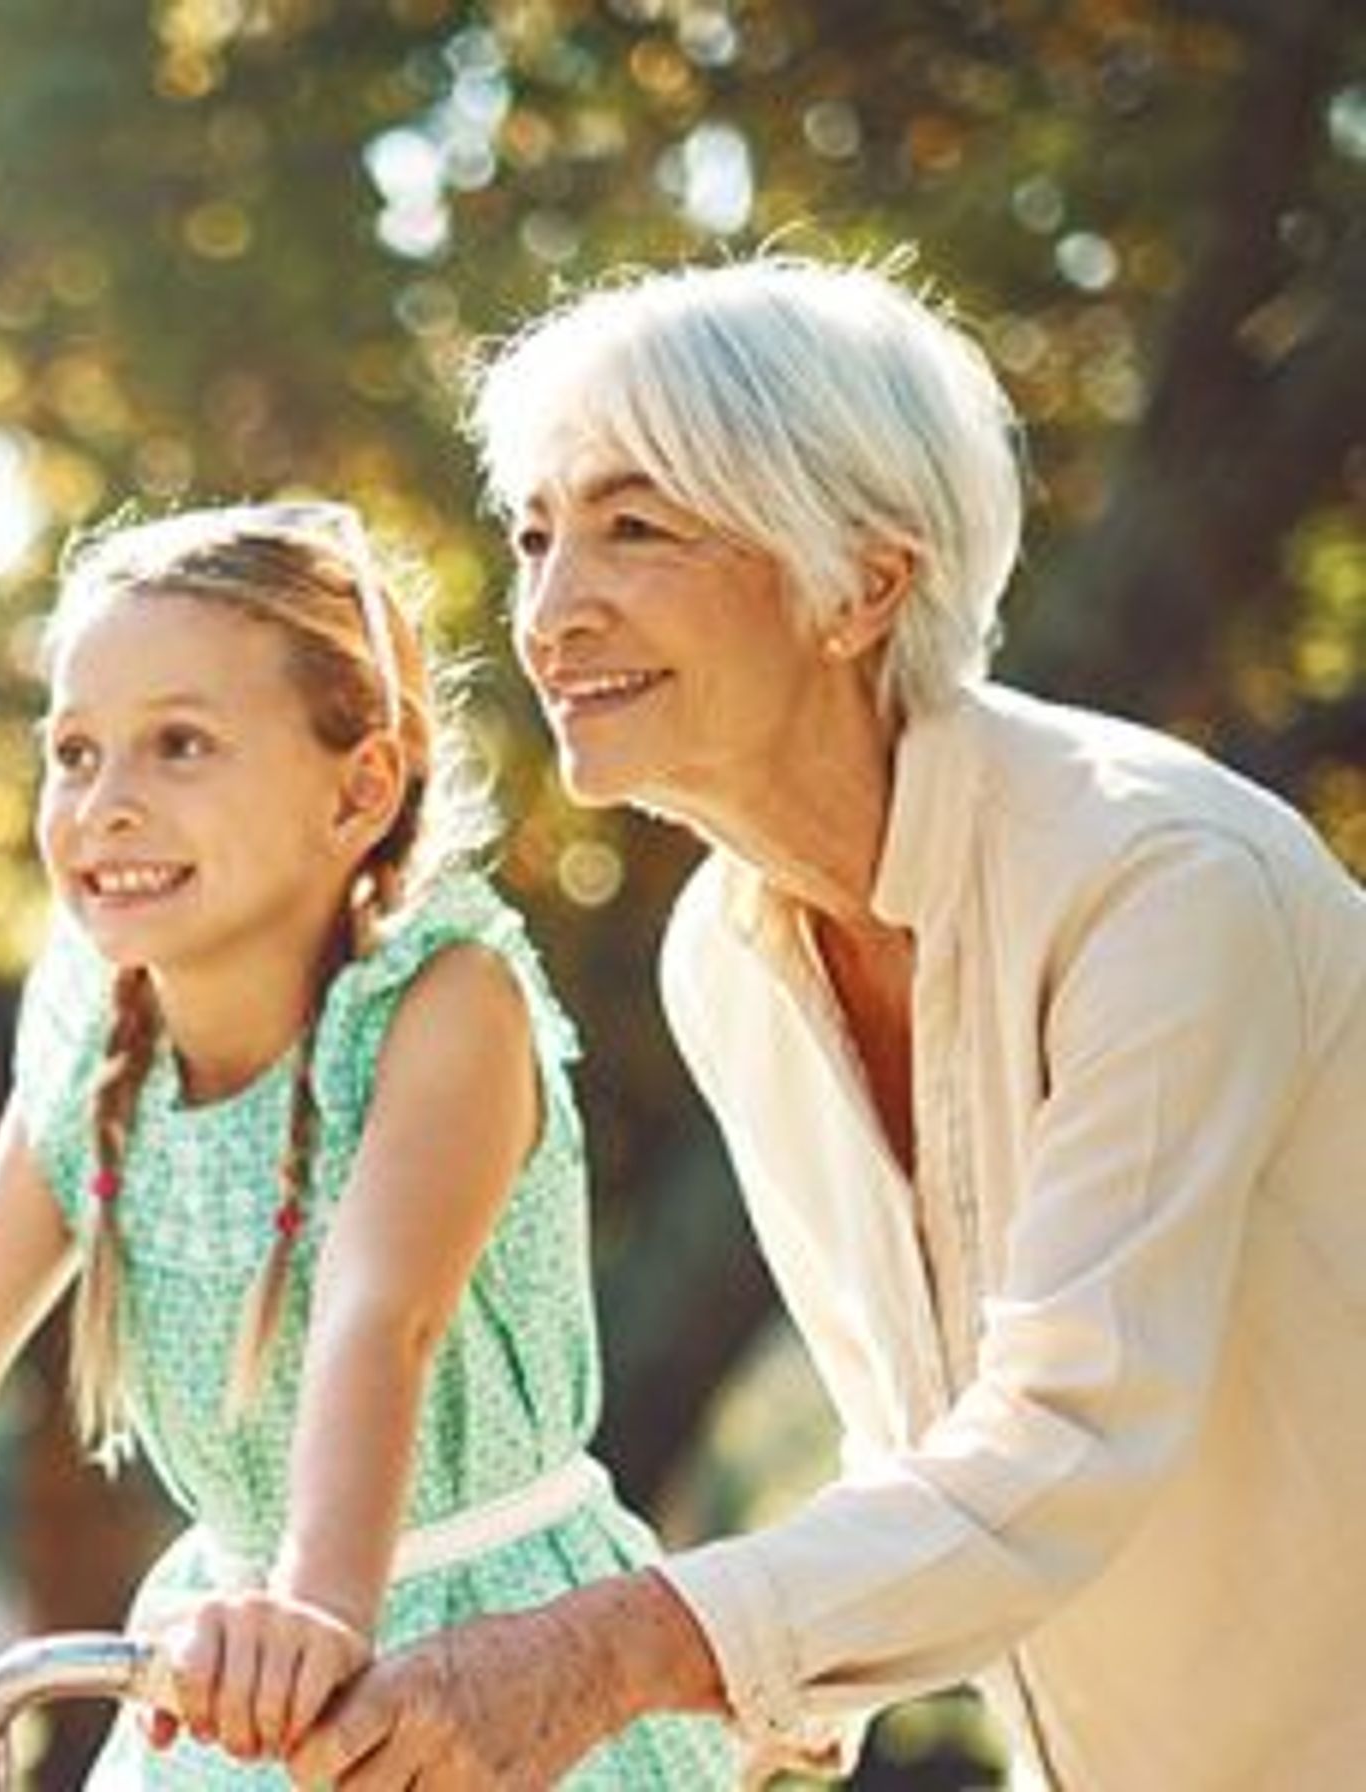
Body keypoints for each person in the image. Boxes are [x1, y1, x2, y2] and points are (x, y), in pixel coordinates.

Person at [284, 253, 1366, 1791]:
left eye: (635, 529)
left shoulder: (1164, 886)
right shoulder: (723, 956)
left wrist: (598, 1659)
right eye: (535, 535)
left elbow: (1061, 1440)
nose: (547, 611)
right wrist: (691, 1732)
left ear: (863, 581)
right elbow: (924, 1453)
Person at [0, 503, 737, 1787]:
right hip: (227, 1670)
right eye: (74, 753)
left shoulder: (440, 1000)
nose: (107, 804)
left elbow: (380, 1315)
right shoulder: (93, 1046)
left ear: (358, 789)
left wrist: (319, 1615)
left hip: (484, 1658)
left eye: (179, 745)